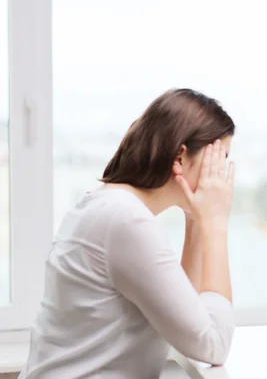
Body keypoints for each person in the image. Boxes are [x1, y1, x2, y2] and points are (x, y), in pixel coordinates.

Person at [20, 88, 237, 378]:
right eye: (218, 158)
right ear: (181, 158)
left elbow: (185, 317)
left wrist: (196, 220)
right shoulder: (124, 220)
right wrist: (215, 222)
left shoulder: (107, 206)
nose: (220, 174)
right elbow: (213, 343)